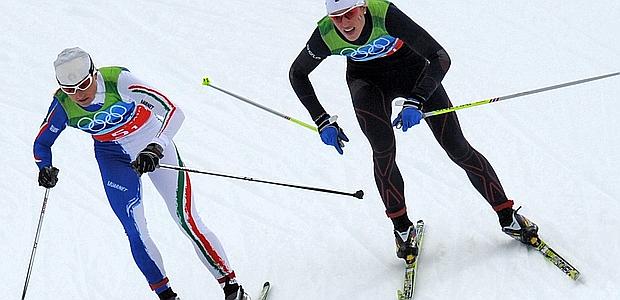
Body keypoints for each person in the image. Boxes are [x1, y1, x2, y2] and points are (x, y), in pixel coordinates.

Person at [289, 0, 540, 262]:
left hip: (413, 73)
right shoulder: (325, 34)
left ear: (362, 7)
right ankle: (402, 229)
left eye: (349, 13)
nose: (343, 23)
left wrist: (417, 99)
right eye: (336, 17)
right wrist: (321, 120)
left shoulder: (385, 15)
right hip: (367, 83)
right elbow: (297, 73)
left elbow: (440, 57)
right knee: (383, 150)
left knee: (457, 147)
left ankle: (507, 215)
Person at [33, 47, 249, 300]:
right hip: (112, 156)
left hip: (151, 140)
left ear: (95, 73)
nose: (79, 94)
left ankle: (232, 288)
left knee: (185, 219)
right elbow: (42, 143)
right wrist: (44, 167)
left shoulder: (119, 81)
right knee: (135, 231)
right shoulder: (63, 104)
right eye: (70, 90)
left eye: (84, 85)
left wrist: (156, 146)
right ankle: (167, 296)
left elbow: (173, 111)